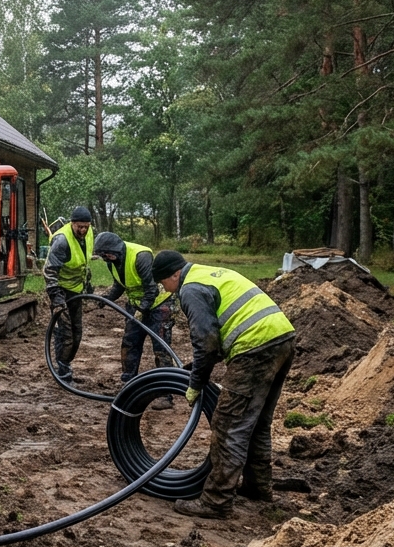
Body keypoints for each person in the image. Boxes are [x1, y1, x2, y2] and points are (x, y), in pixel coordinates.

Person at [151, 250, 296, 519]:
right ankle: (257, 487)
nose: (166, 290)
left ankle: (216, 502)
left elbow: (205, 341)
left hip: (255, 347)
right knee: (257, 422)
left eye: (164, 284)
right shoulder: (212, 273)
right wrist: (196, 368)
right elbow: (217, 338)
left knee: (229, 424)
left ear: (174, 275)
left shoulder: (190, 289)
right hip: (282, 337)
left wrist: (195, 384)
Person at [94, 232, 175, 408]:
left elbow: (151, 289)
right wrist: (107, 298)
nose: (104, 258)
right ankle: (128, 384)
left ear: (114, 250)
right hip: (137, 305)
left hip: (159, 305)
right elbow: (120, 284)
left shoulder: (141, 257)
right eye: (102, 256)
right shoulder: (113, 262)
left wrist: (141, 310)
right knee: (129, 343)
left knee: (161, 348)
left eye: (105, 254)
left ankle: (166, 395)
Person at [43, 206, 94, 382]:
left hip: (76, 291)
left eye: (86, 226)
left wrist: (87, 282)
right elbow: (49, 271)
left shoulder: (88, 234)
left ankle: (66, 366)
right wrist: (57, 299)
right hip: (60, 291)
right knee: (65, 334)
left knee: (77, 332)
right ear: (72, 224)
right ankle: (63, 373)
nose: (83, 230)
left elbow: (83, 260)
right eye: (79, 226)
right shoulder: (62, 240)